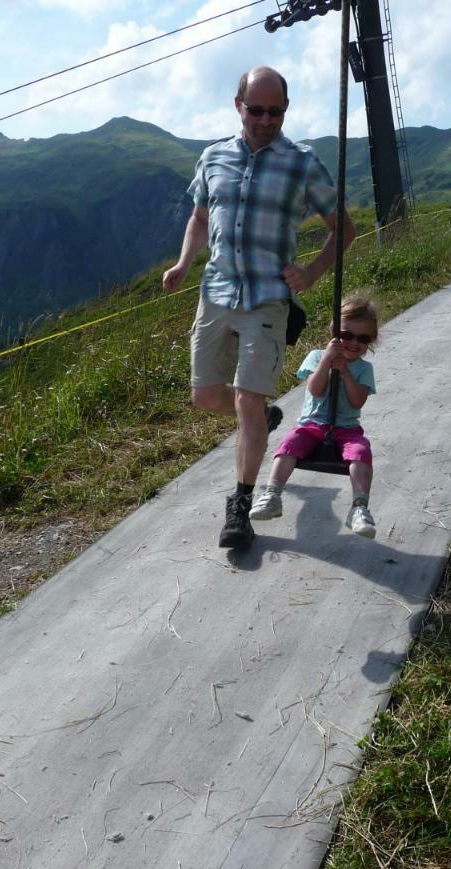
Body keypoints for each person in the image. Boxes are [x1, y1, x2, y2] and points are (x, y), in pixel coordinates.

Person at [162, 65, 356, 549]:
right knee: (206, 396)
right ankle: (262, 421)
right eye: (257, 110)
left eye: (277, 111)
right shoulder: (212, 158)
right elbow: (200, 216)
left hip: (269, 299)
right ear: (238, 105)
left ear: (285, 110)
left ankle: (240, 506)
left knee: (248, 399)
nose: (267, 120)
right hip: (216, 293)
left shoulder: (302, 163)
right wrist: (185, 264)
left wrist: (310, 273)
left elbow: (343, 227)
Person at [250, 294, 378, 539]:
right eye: (346, 335)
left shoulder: (364, 369)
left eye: (363, 338)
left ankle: (359, 507)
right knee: (288, 445)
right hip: (311, 424)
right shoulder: (317, 357)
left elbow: (357, 401)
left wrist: (346, 373)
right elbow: (315, 389)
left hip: (347, 428)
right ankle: (272, 494)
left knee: (361, 452)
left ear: (371, 340)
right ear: (334, 332)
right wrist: (328, 362)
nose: (353, 343)